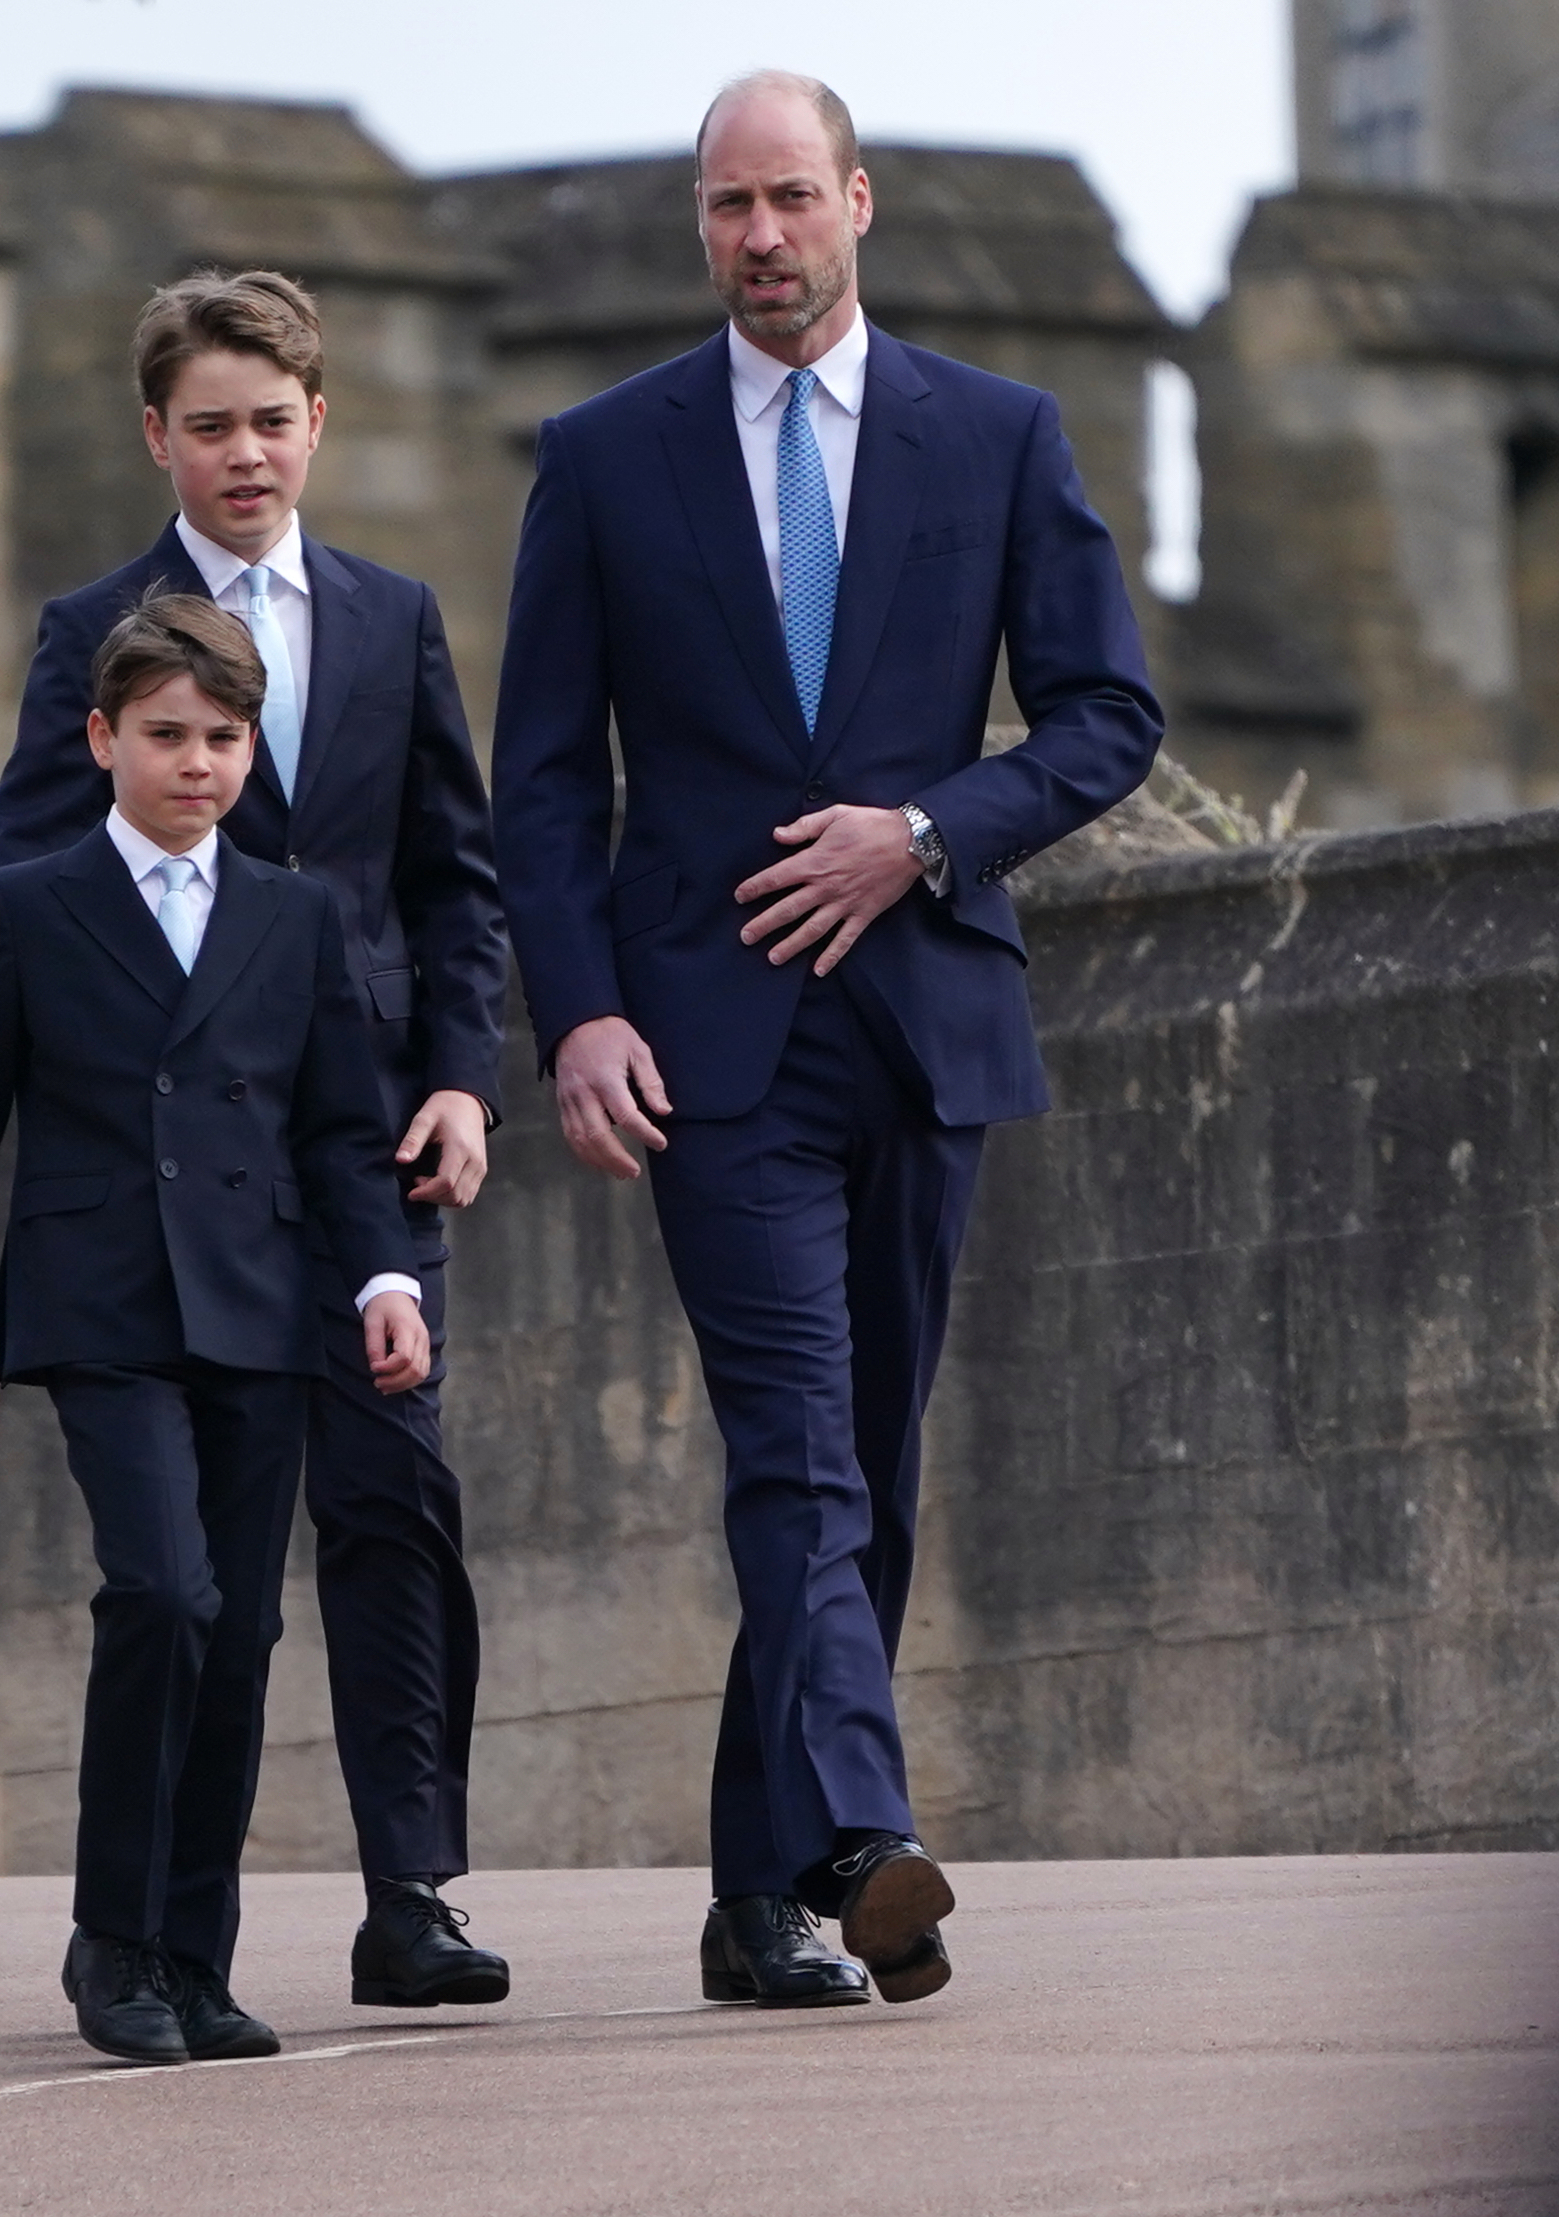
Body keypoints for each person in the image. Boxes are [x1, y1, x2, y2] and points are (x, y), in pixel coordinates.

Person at [492, 71, 1160, 2009]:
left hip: (925, 1025)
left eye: (790, 199)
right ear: (696, 225)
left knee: (866, 1453)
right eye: (726, 208)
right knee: (791, 1442)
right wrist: (583, 1012)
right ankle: (864, 1836)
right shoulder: (604, 456)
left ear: (856, 203)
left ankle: (751, 1892)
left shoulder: (1000, 437)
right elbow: (543, 783)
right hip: (706, 1049)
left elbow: (1105, 715)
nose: (760, 239)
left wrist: (928, 830)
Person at [0, 271, 515, 2009]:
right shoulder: (92, 633)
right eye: (207, 423)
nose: (243, 453)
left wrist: (459, 1073)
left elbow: (454, 878)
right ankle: (145, 1934)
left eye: (270, 421)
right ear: (158, 434)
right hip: (163, 1188)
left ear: (317, 426)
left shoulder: (388, 617)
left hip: (362, 1161)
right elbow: (28, 905)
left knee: (395, 1510)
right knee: (194, 1586)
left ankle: (413, 1891)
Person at [0, 593, 431, 2064]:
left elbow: (340, 1130)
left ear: (250, 747)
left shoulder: (294, 912)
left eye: (221, 736)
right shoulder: (23, 904)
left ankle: (194, 1957)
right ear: (100, 738)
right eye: (164, 734)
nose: (194, 762)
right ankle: (111, 1936)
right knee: (164, 1595)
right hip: (100, 1309)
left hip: (262, 1309)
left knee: (245, 1628)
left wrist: (383, 1280)